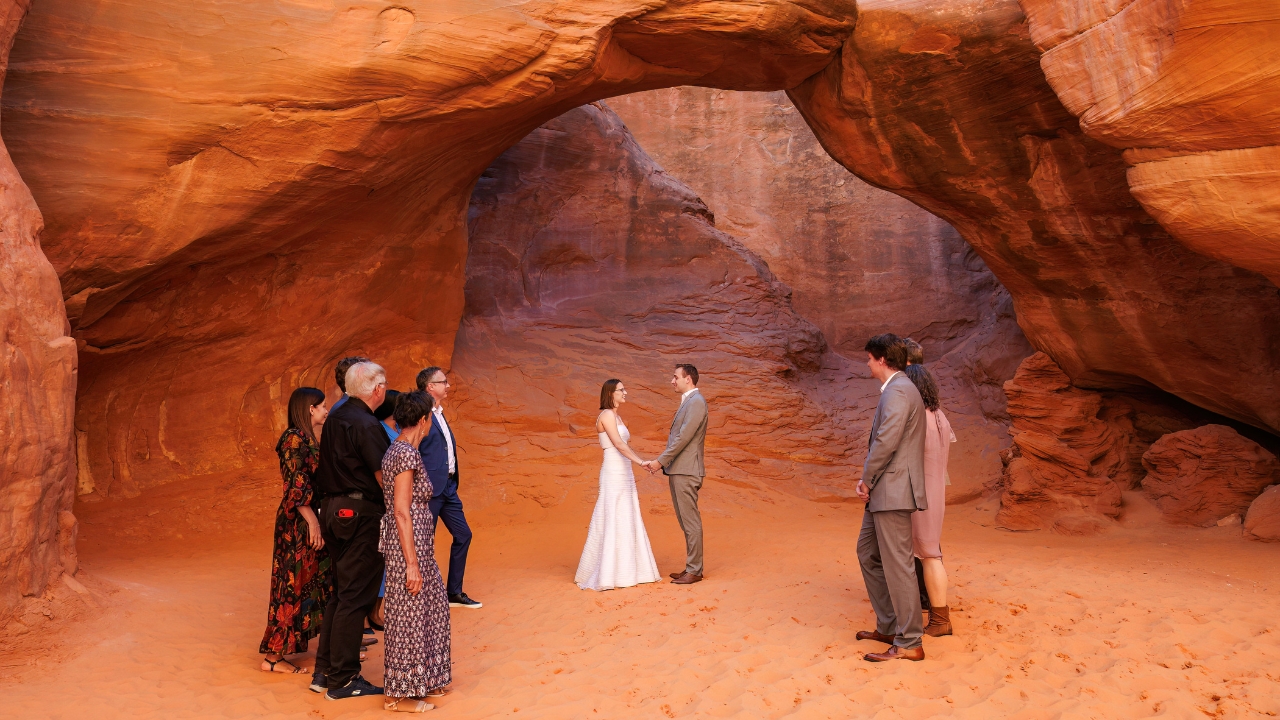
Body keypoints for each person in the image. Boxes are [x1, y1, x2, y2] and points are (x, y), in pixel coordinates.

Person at [314, 361, 391, 699]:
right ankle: (343, 679)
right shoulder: (365, 423)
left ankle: (325, 672)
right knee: (355, 596)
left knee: (341, 593)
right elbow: (382, 476)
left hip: (333, 510)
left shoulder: (337, 419)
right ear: (377, 390)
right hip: (359, 512)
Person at [855, 334, 928, 662]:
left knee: (898, 564)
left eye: (869, 358)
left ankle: (910, 641)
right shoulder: (898, 390)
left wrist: (866, 479)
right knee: (868, 553)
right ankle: (887, 624)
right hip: (887, 490)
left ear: (882, 359)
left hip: (892, 489)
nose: (867, 364)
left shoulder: (898, 391)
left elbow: (886, 441)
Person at [380, 390, 451, 712]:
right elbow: (401, 510)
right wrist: (411, 563)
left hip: (417, 544)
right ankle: (398, 695)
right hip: (408, 545)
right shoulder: (405, 454)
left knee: (431, 606)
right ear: (423, 420)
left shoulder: (400, 450)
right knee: (408, 615)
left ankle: (425, 680)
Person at [259, 387, 331, 674]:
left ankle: (301, 649)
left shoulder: (307, 438)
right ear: (310, 409)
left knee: (309, 582)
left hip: (307, 520)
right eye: (323, 406)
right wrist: (312, 521)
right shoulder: (293, 439)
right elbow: (296, 486)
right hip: (297, 525)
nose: (327, 410)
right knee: (290, 585)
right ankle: (273, 660)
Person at [575, 379, 661, 591]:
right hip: (613, 471)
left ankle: (629, 569)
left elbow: (623, 445)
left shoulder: (617, 416)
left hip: (624, 471)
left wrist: (636, 464)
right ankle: (609, 573)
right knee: (612, 514)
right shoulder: (605, 415)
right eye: (621, 390)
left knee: (626, 513)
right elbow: (619, 444)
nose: (625, 392)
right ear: (611, 393)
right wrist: (642, 462)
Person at [415, 367, 482, 609]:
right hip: (429, 489)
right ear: (430, 387)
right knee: (424, 542)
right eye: (443, 382)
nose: (448, 386)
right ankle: (420, 598)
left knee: (463, 534)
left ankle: (453, 592)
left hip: (448, 488)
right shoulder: (420, 413)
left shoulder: (440, 413)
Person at [902, 350, 956, 637]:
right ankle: (937, 617)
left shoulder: (916, 417)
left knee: (928, 555)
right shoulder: (940, 416)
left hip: (917, 494)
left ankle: (939, 620)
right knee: (931, 553)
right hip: (935, 494)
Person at [642, 364, 709, 585]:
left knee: (690, 521)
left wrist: (660, 461)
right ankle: (692, 567)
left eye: (675, 377)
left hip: (687, 470)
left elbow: (683, 438)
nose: (672, 381)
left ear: (688, 379)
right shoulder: (690, 402)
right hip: (680, 469)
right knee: (685, 520)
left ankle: (695, 570)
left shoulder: (696, 402)